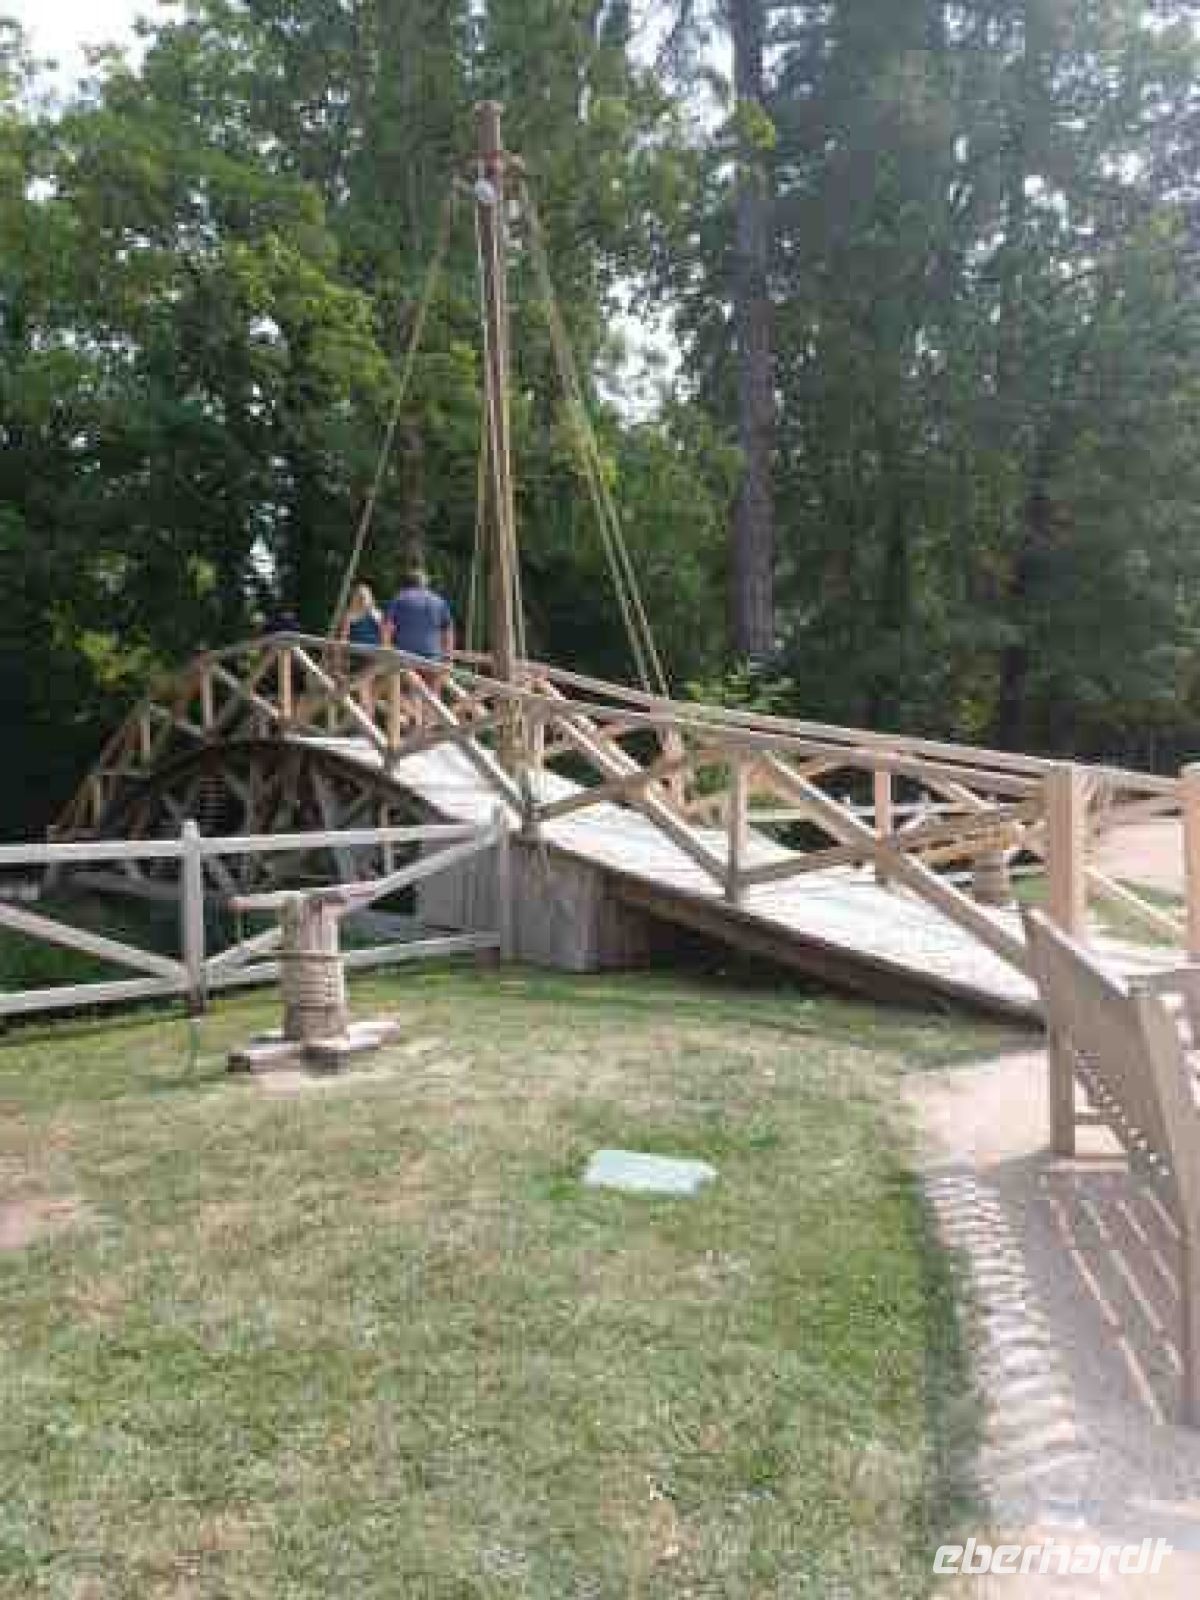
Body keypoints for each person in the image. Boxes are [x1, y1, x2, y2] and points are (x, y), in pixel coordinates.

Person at [383, 564, 454, 673]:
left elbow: (387, 627)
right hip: (432, 658)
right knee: (430, 684)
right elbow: (448, 632)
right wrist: (448, 658)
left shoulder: (399, 598)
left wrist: (387, 651)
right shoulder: (440, 601)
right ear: (425, 584)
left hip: (404, 657)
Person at [339, 583, 385, 649]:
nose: (362, 601)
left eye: (364, 598)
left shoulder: (377, 614)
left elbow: (383, 636)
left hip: (373, 650)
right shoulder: (349, 615)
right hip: (355, 649)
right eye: (360, 598)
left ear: (370, 598)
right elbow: (344, 636)